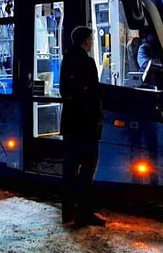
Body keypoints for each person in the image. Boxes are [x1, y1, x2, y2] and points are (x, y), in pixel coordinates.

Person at [59, 26, 106, 228]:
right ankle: (84, 213)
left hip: (70, 123)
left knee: (70, 168)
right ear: (85, 41)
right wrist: (97, 118)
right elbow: (94, 94)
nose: (92, 42)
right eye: (91, 39)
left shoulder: (66, 60)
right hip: (86, 125)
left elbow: (64, 90)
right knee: (87, 169)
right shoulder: (87, 62)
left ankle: (67, 211)